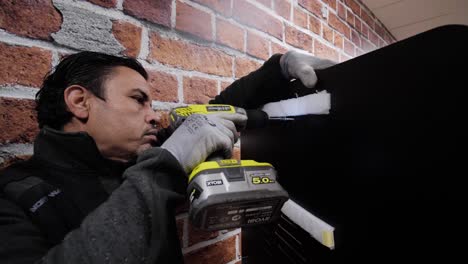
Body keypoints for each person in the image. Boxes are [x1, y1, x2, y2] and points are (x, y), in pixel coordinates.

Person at [0, 49, 331, 263]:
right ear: (80, 101)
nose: (153, 116)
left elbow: (217, 109)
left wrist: (279, 67)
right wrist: (162, 168)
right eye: (138, 100)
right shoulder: (13, 196)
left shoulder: (136, 155)